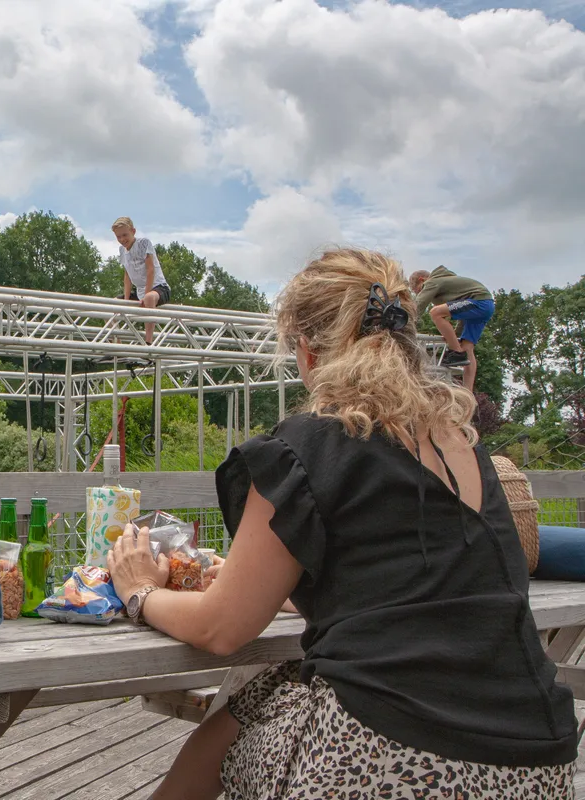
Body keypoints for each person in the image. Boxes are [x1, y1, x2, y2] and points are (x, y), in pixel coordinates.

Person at [109, 248, 576, 800]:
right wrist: (275, 589)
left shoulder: (306, 447)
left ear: (308, 351)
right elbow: (404, 579)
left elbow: (221, 629)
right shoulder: (464, 448)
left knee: (236, 722)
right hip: (537, 760)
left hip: (394, 761)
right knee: (268, 691)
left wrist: (140, 592)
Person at [410, 265, 494, 393]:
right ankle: (468, 393)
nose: (420, 294)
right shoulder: (451, 286)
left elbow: (418, 305)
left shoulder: (432, 281)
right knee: (467, 348)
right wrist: (453, 336)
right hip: (485, 305)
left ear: (422, 280)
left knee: (435, 313)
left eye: (418, 291)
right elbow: (463, 314)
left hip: (479, 302)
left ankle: (457, 353)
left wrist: (406, 323)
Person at [112, 216, 171, 344]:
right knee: (113, 304)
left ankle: (148, 342)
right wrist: (126, 300)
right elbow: (127, 276)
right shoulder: (122, 250)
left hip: (158, 287)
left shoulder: (144, 243)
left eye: (125, 235)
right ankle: (118, 343)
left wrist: (146, 294)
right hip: (139, 291)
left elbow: (150, 270)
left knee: (149, 298)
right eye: (118, 237)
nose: (122, 239)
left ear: (133, 231)